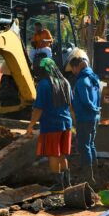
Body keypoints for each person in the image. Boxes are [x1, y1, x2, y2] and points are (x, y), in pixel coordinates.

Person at [26, 57, 73, 192]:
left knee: (53, 154)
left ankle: (58, 185)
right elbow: (71, 105)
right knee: (62, 154)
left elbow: (38, 108)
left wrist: (30, 125)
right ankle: (66, 183)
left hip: (51, 124)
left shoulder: (44, 84)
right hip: (67, 123)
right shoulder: (65, 82)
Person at [68, 48, 100, 185]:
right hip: (94, 117)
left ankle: (88, 177)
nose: (72, 72)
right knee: (91, 145)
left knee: (84, 146)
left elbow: (86, 101)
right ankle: (95, 173)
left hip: (85, 118)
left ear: (77, 67)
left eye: (73, 69)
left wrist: (91, 109)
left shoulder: (81, 81)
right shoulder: (93, 77)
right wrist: (96, 110)